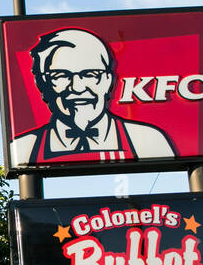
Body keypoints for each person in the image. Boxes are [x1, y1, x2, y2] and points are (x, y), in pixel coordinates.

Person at [10, 28, 177, 166]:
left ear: (108, 80)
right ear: (43, 83)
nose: (77, 87)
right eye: (61, 75)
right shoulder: (24, 148)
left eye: (90, 74)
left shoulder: (147, 139)